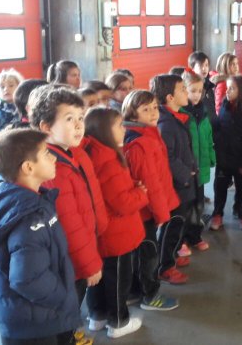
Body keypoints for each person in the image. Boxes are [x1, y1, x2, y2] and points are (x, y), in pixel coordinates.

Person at [0, 128, 88, 345]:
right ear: (28, 167)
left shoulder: (21, 199)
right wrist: (63, 297)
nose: (53, 157)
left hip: (28, 313)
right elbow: (27, 278)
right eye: (46, 154)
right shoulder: (30, 216)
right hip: (32, 320)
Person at [32, 86, 107, 339]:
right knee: (67, 307)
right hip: (70, 260)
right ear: (45, 127)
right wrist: (89, 263)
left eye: (80, 118)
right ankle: (68, 337)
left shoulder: (74, 152)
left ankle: (71, 334)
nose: (78, 126)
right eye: (69, 119)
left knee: (73, 304)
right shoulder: (53, 171)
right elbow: (69, 223)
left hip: (83, 246)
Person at [82, 107, 148, 338]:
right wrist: (141, 193)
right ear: (104, 131)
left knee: (98, 278)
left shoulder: (92, 153)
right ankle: (118, 322)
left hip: (102, 232)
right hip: (118, 233)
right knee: (119, 279)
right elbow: (123, 203)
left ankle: (97, 316)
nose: (124, 129)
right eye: (119, 125)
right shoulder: (109, 160)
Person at [121, 90, 182, 307]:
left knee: (143, 252)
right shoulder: (141, 144)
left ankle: (136, 291)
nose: (153, 112)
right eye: (145, 109)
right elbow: (151, 184)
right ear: (132, 114)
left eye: (155, 107)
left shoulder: (149, 135)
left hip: (147, 208)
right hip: (145, 210)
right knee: (149, 254)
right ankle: (150, 296)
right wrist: (162, 212)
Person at [150, 74, 197, 283]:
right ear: (170, 97)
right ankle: (165, 267)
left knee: (179, 224)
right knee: (172, 226)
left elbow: (183, 149)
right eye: (183, 89)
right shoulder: (166, 124)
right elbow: (167, 156)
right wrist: (185, 174)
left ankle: (172, 255)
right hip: (176, 186)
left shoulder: (177, 118)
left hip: (183, 183)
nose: (187, 92)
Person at [210, 76, 242, 231]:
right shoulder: (225, 106)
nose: (227, 91)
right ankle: (217, 213)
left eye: (231, 88)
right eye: (227, 88)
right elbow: (219, 128)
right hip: (224, 159)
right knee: (220, 187)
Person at [180, 71, 214, 250]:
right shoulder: (181, 114)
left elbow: (208, 136)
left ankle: (195, 235)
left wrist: (211, 155)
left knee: (198, 204)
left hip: (200, 167)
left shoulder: (203, 111)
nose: (196, 95)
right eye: (192, 90)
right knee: (185, 206)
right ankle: (182, 239)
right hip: (187, 171)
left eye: (199, 91)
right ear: (183, 91)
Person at [188, 51, 217, 124]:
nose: (204, 68)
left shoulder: (209, 86)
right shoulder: (189, 88)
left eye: (206, 65)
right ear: (192, 68)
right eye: (201, 66)